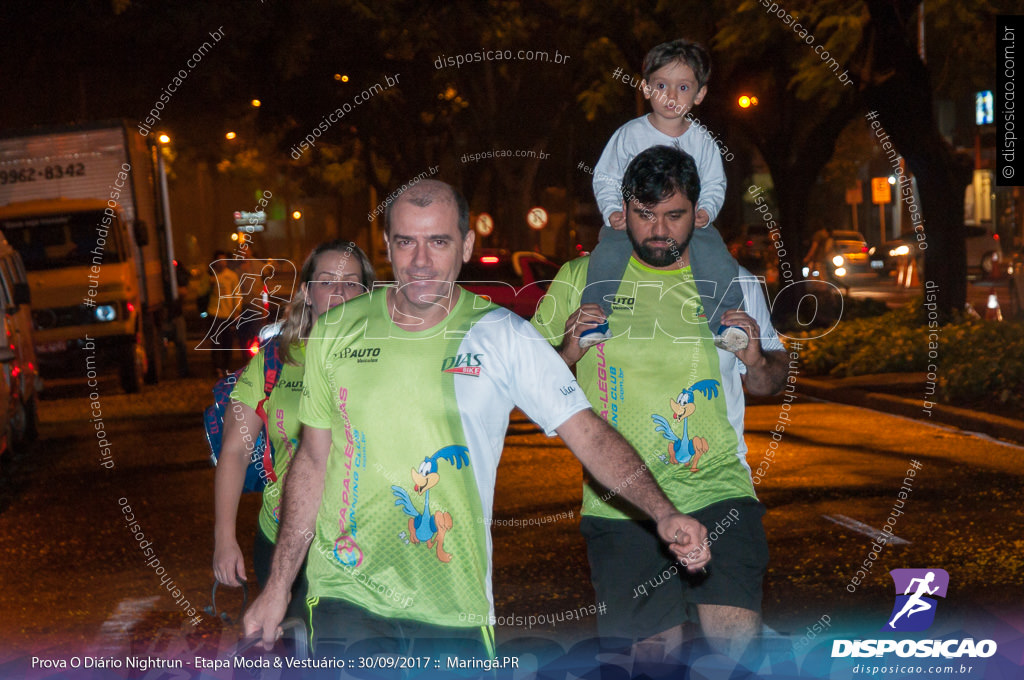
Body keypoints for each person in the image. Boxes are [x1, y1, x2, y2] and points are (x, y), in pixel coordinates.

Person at [243, 179, 712, 658]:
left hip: (452, 601)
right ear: (387, 246)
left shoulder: (502, 337)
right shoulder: (337, 331)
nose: (421, 260)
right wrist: (279, 586)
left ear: (465, 245)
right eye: (406, 241)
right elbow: (313, 462)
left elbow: (588, 433)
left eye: (438, 241)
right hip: (346, 590)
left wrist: (663, 511)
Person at [532, 146, 788, 662]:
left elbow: (769, 383)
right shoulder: (580, 279)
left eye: (674, 216)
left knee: (734, 655)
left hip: (718, 487)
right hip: (621, 501)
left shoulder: (731, 282)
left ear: (697, 213)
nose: (658, 231)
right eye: (645, 215)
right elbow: (529, 386)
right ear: (624, 211)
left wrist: (758, 358)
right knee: (652, 664)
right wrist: (567, 349)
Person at [213, 240, 375, 620]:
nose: (339, 291)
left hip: (363, 545)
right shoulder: (274, 360)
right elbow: (235, 451)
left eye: (352, 283)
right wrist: (224, 538)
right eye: (327, 281)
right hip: (282, 540)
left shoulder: (386, 359)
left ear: (368, 294)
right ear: (306, 291)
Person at [584, 38, 747, 353]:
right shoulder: (629, 135)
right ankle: (594, 318)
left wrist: (706, 211)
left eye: (683, 88)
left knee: (716, 258)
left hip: (688, 225)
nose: (671, 96)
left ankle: (728, 321)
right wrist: (611, 211)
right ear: (646, 89)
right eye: (661, 85)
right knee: (606, 255)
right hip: (631, 223)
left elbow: (715, 182)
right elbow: (605, 176)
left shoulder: (703, 140)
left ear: (700, 94)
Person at [206, 251, 241, 376]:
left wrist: (237, 310)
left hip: (228, 314)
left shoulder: (231, 276)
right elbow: (203, 293)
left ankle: (226, 366)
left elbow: (237, 293)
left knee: (227, 342)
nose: (222, 263)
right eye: (219, 260)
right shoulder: (210, 276)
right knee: (216, 342)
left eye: (224, 260)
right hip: (214, 312)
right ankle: (217, 367)